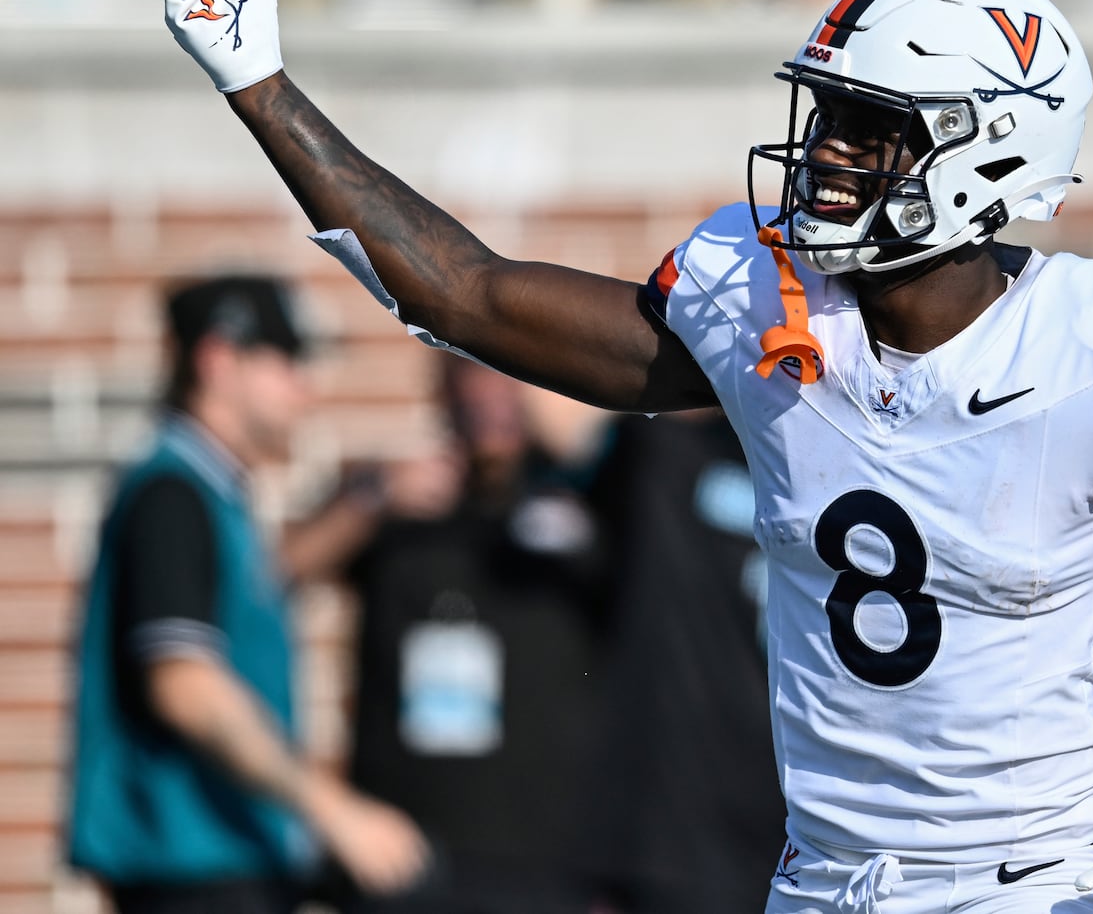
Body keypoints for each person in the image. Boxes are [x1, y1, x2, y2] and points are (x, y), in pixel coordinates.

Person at [164, 0, 1093, 914]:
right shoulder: (764, 308)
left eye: (867, 133)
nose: (821, 156)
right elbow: (473, 298)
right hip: (814, 882)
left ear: (982, 152)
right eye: (823, 120)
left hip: (1020, 890)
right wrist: (261, 86)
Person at [66, 273, 430, 914]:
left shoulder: (213, 494)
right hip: (192, 873)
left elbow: (265, 582)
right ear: (218, 360)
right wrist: (333, 812)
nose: (305, 390)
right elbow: (185, 686)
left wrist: (367, 502)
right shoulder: (171, 497)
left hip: (225, 865)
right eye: (286, 362)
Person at [316, 356, 613, 914]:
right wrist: (372, 498)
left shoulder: (588, 505)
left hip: (549, 860)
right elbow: (274, 574)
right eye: (470, 379)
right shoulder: (395, 506)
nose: (487, 399)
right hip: (405, 853)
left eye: (503, 376)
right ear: (442, 395)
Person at [582, 410, 786, 914]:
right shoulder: (672, 447)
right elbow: (551, 411)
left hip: (812, 811)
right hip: (685, 824)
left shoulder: (851, 459)